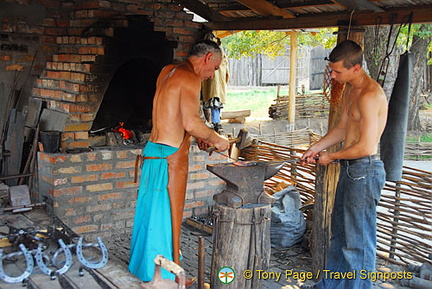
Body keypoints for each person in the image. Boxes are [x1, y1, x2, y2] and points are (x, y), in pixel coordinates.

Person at [129, 40, 230, 285]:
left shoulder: (168, 71)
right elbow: (190, 122)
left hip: (153, 151)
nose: (212, 74)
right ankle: (167, 276)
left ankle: (142, 267)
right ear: (207, 58)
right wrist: (218, 140)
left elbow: (172, 115)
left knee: (149, 212)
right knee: (166, 217)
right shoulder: (190, 78)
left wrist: (199, 137)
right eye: (215, 67)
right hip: (169, 158)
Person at [301, 40, 388, 289]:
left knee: (358, 242)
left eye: (338, 71)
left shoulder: (371, 95)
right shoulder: (353, 89)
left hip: (365, 171)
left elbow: (365, 147)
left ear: (356, 68)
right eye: (332, 70)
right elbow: (342, 128)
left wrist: (332, 157)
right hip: (352, 170)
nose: (334, 76)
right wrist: (317, 148)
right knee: (340, 235)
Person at [201, 36, 229, 133]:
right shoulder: (221, 53)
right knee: (214, 105)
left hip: (213, 85)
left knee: (212, 104)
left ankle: (214, 123)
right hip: (216, 86)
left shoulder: (215, 52)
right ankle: (215, 123)